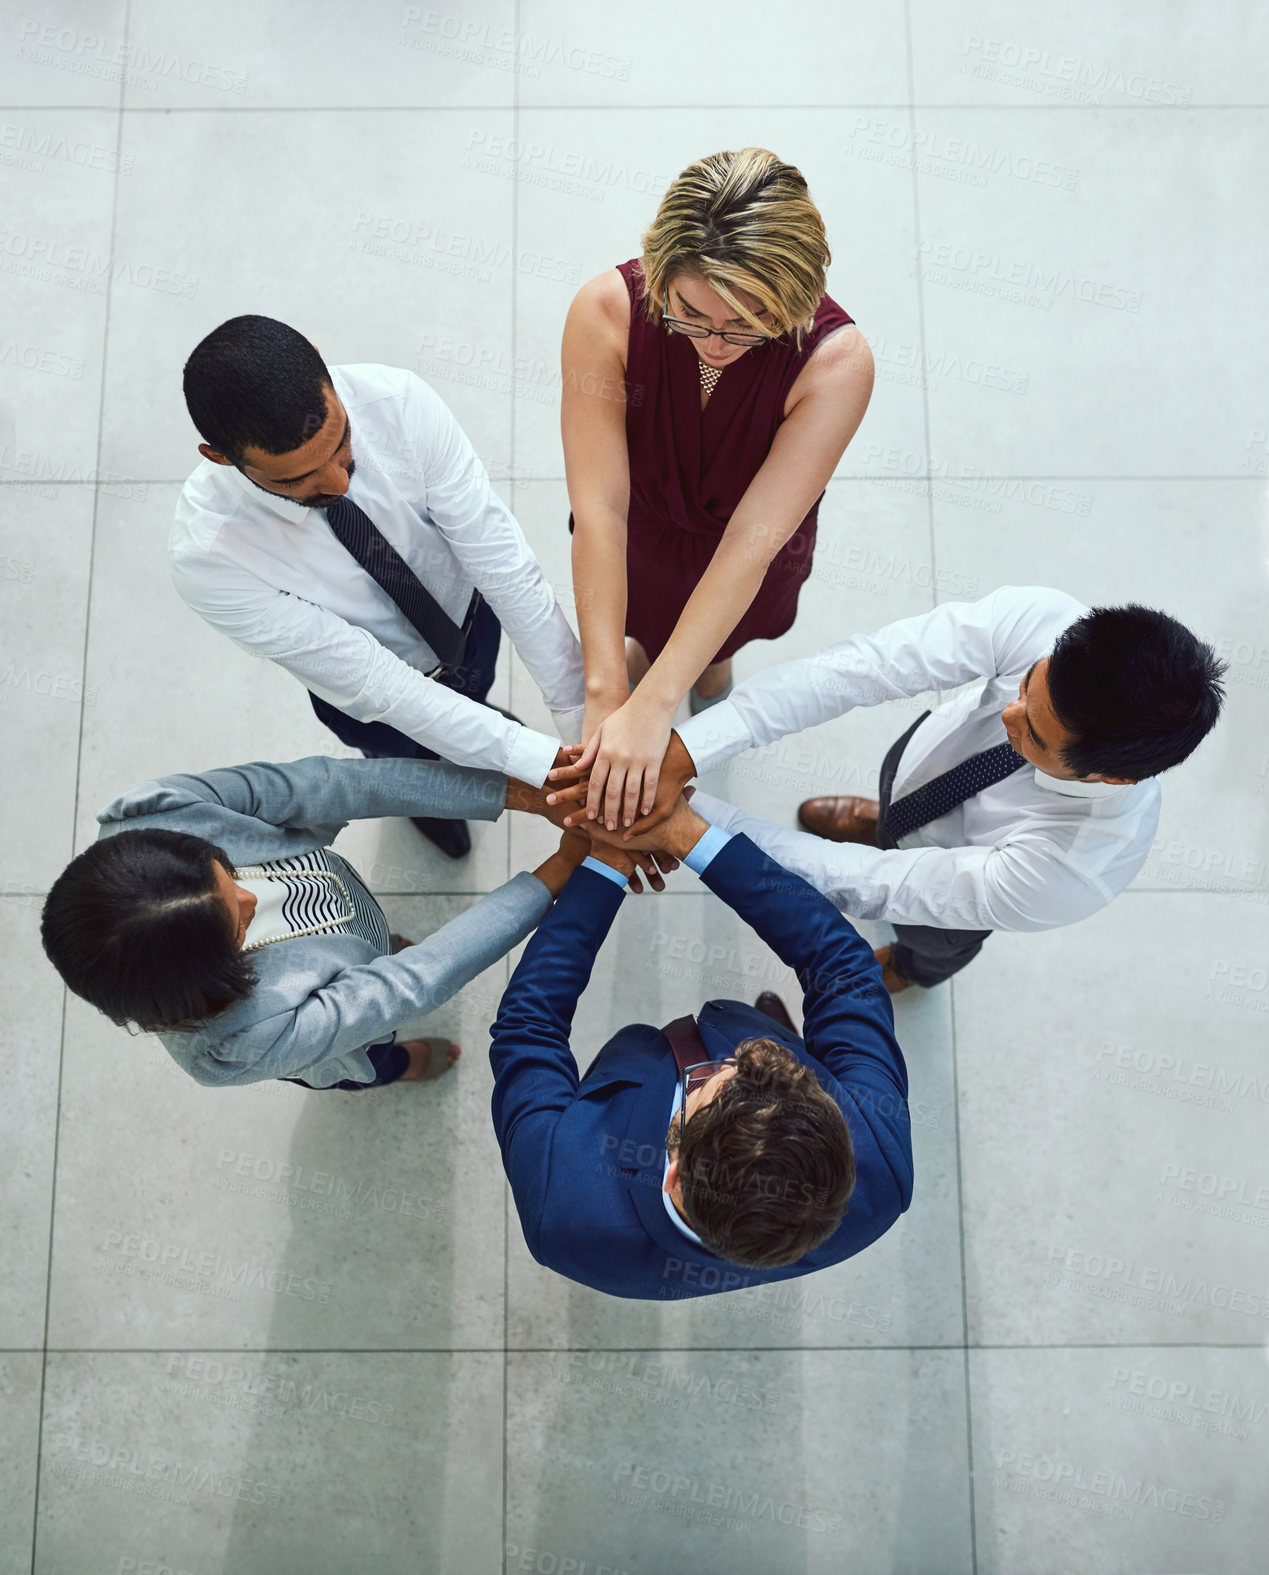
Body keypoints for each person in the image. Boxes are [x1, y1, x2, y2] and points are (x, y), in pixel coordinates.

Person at [556, 587, 1226, 994]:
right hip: (920, 768)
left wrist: (690, 825)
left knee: (929, 934)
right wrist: (687, 748)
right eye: (1024, 687)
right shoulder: (1048, 621)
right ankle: (885, 814)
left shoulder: (1069, 870)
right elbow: (863, 668)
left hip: (950, 895)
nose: (1005, 715)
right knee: (894, 810)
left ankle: (908, 970)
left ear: (1108, 775)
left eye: (1035, 735)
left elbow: (874, 883)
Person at [172, 314, 586, 860]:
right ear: (221, 457)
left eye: (340, 443)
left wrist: (580, 721)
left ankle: (483, 726)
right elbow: (378, 683)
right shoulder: (210, 555)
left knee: (478, 697)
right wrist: (537, 760)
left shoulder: (398, 402)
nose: (339, 482)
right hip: (373, 695)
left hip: (464, 620)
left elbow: (502, 563)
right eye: (296, 479)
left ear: (323, 366)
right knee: (409, 762)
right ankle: (435, 803)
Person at [561, 147, 874, 835]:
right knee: (629, 635)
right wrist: (604, 688)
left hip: (748, 550)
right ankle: (650, 663)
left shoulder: (837, 362)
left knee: (718, 651)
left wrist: (652, 706)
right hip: (633, 528)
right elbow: (599, 509)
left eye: (746, 323)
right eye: (689, 314)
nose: (715, 342)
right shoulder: (605, 311)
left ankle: (705, 680)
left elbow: (747, 549)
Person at [488, 796, 912, 1299]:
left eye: (707, 1079)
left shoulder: (565, 1209)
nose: (740, 1057)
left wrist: (606, 866)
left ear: (670, 1175)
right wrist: (691, 837)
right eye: (768, 1067)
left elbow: (528, 1027)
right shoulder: (879, 1166)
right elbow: (844, 970)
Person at [41, 755, 663, 1091]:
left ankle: (371, 943)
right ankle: (401, 1066)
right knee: (370, 1055)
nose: (255, 897)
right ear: (202, 979)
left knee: (373, 948)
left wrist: (525, 795)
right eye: (237, 924)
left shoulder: (151, 812)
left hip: (346, 914)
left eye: (227, 872)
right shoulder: (230, 1046)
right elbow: (409, 984)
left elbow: (333, 785)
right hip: (337, 1044)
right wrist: (560, 867)